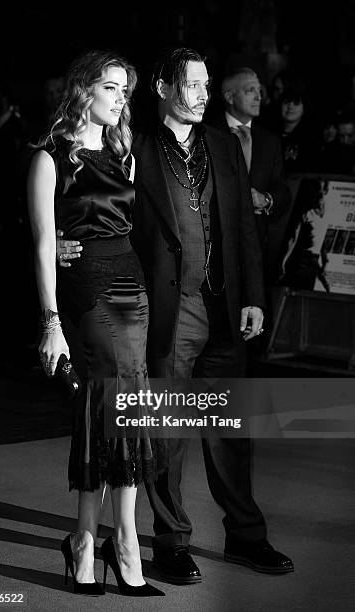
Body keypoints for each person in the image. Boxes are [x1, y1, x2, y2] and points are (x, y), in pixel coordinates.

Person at [57, 47, 294, 583]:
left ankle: (246, 538)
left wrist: (254, 295)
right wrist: (56, 245)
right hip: (165, 309)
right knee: (165, 434)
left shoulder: (224, 145)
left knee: (231, 429)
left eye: (207, 85)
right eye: (192, 84)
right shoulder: (131, 146)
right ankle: (171, 543)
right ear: (163, 88)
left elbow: (242, 228)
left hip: (225, 307)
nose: (203, 94)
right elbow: (88, 206)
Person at [27, 49, 164, 598]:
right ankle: (111, 542)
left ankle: (101, 540)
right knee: (109, 403)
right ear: (84, 89)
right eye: (111, 88)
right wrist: (50, 320)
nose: (120, 99)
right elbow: (42, 244)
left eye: (126, 91)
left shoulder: (122, 149)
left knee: (124, 405)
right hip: (86, 290)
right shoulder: (48, 156)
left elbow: (131, 222)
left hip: (132, 284)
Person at [207, 66, 291, 285]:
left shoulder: (270, 141)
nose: (258, 96)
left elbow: (282, 190)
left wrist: (266, 199)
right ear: (229, 96)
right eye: (249, 90)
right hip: (215, 243)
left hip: (259, 249)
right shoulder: (206, 133)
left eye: (259, 90)